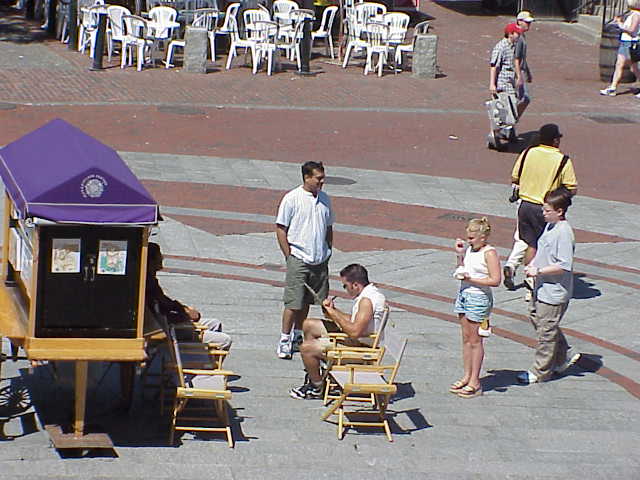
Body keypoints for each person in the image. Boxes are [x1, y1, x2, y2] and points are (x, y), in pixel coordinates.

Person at [288, 264, 386, 400]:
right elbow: (354, 321)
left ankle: (317, 386)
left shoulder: (366, 301)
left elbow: (355, 332)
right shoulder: (370, 293)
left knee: (306, 348)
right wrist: (332, 311)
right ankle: (315, 370)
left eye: (345, 286)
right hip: (361, 339)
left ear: (355, 285)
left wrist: (333, 314)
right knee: (309, 325)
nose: (345, 289)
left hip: (361, 348)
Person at [517, 188, 582, 384]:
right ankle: (564, 355)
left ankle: (540, 371)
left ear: (559, 211)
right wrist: (533, 265)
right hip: (542, 288)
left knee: (546, 331)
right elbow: (543, 250)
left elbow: (563, 265)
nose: (543, 213)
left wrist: (539, 271)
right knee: (541, 321)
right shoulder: (550, 226)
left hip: (554, 292)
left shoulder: (563, 232)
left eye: (547, 210)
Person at [275, 161, 334, 360]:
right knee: (293, 302)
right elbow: (281, 228)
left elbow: (328, 227)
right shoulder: (292, 199)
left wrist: (328, 250)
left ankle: (298, 335)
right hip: (299, 258)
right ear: (307, 177)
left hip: (319, 260)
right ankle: (284, 339)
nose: (322, 181)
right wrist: (289, 256)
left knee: (307, 301)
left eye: (323, 177)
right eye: (318, 178)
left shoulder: (325, 199)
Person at [510, 124, 577, 267]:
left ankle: (527, 274)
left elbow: (515, 177)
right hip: (545, 207)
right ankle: (535, 276)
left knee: (530, 244)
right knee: (542, 245)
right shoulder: (562, 160)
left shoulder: (527, 152)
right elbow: (571, 187)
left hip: (524, 205)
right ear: (555, 141)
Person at [146, 242, 232, 350]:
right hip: (168, 329)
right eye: (159, 255)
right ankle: (204, 363)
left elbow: (168, 303)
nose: (162, 258)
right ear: (151, 261)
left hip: (173, 321)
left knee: (215, 323)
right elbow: (163, 310)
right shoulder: (147, 285)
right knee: (225, 340)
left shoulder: (152, 281)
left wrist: (185, 309)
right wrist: (185, 315)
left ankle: (202, 355)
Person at [450, 218, 501, 399]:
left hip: (478, 299)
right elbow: (463, 268)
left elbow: (495, 280)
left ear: (483, 237)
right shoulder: (471, 250)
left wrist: (470, 279)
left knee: (475, 340)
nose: (469, 241)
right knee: (466, 339)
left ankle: (475, 381)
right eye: (468, 237)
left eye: (472, 238)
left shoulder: (490, 253)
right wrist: (459, 255)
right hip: (464, 295)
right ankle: (467, 375)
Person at [489, 23, 523, 141]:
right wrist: (492, 84)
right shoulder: (501, 47)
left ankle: (503, 134)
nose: (519, 35)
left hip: (510, 84)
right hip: (502, 84)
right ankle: (495, 135)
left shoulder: (513, 46)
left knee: (510, 110)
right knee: (502, 112)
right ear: (510, 34)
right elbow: (494, 66)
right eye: (516, 33)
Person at [599, 0, 640, 97]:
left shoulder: (636, 15)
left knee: (631, 67)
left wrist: (620, 25)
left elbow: (632, 30)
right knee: (622, 65)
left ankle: (613, 87)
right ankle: (613, 87)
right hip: (626, 42)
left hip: (630, 43)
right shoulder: (633, 14)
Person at [514, 11, 535, 118]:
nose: (528, 24)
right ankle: (508, 123)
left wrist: (528, 73)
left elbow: (522, 58)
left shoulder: (522, 36)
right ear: (519, 21)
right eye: (526, 22)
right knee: (522, 98)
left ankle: (509, 124)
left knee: (520, 99)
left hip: (520, 71)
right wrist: (519, 76)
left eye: (529, 22)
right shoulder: (518, 38)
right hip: (515, 72)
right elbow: (516, 59)